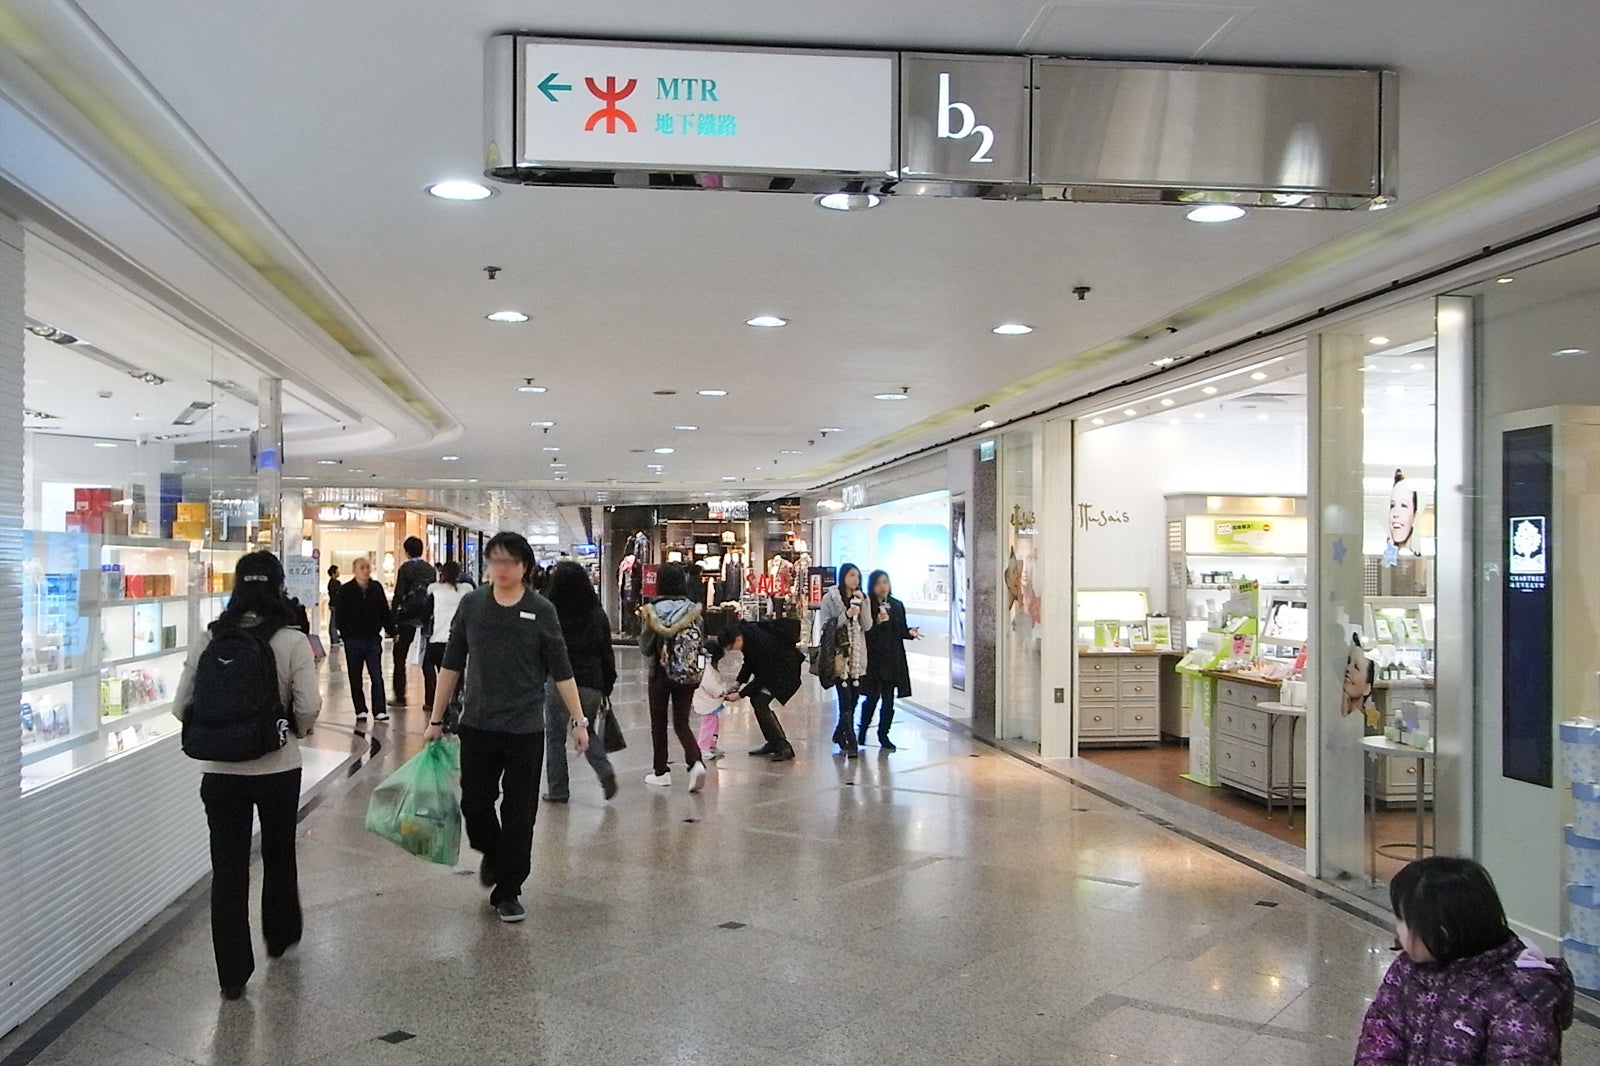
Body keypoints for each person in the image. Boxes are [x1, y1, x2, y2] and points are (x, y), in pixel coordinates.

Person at [171, 551, 321, 1000]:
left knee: (229, 868)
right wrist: (295, 728)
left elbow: (180, 705)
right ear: (279, 588)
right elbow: (309, 706)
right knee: (278, 853)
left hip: (220, 772)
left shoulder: (211, 637)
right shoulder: (293, 641)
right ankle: (279, 936)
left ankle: (232, 974)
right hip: (277, 766)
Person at [424, 532, 589, 924]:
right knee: (475, 806)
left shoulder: (541, 610)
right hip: (477, 725)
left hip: (525, 729)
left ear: (525, 567)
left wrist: (579, 720)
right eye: (494, 560)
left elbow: (562, 670)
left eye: (509, 561)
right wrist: (435, 720)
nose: (501, 568)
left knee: (520, 814)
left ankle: (509, 889)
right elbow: (451, 663)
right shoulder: (473, 604)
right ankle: (494, 854)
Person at [1356, 856, 1574, 1065]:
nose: (1398, 928)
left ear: (1442, 934)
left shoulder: (1517, 999)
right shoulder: (1407, 969)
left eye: (1403, 920)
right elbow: (1382, 1033)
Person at [541, 560, 619, 803]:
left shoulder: (550, 611)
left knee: (555, 736)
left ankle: (558, 790)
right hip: (591, 682)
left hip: (558, 682)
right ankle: (604, 769)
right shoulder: (597, 614)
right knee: (587, 729)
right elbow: (606, 652)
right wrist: (607, 685)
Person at [638, 562, 708, 790]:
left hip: (659, 673)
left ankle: (661, 772)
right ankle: (695, 761)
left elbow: (646, 646)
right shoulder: (694, 612)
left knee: (659, 723)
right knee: (682, 722)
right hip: (686, 673)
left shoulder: (652, 611)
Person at [721, 619, 802, 763]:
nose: (733, 650)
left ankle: (783, 746)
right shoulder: (748, 636)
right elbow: (749, 662)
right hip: (774, 672)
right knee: (758, 701)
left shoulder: (761, 641)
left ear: (737, 639)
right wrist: (738, 683)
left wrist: (740, 694)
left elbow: (764, 676)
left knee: (760, 701)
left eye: (732, 647)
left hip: (784, 673)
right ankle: (774, 742)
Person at [859, 569, 919, 752]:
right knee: (872, 697)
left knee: (888, 699)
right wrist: (877, 622)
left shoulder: (897, 605)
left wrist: (910, 633)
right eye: (878, 583)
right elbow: (866, 632)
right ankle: (862, 729)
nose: (882, 587)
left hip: (893, 659)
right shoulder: (867, 605)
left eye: (885, 582)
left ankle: (883, 733)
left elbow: (900, 630)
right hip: (874, 659)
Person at [819, 563, 872, 757]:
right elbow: (826, 626)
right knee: (845, 698)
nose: (855, 580)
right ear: (843, 577)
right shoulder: (830, 598)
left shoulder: (860, 597)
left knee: (855, 696)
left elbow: (867, 626)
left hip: (858, 656)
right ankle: (851, 741)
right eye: (851, 575)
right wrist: (846, 615)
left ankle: (839, 732)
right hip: (839, 655)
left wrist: (863, 604)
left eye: (857, 576)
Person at [335, 556, 394, 721]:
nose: (366, 570)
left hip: (372, 638)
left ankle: (379, 709)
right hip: (353, 640)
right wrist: (346, 634)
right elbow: (340, 615)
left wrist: (391, 631)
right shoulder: (346, 590)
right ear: (354, 570)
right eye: (362, 567)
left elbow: (384, 611)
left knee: (376, 674)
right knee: (355, 675)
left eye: (368, 567)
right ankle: (360, 708)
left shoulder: (376, 588)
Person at [390, 536, 435, 705]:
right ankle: (430, 699)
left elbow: (399, 594)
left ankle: (400, 696)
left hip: (406, 619)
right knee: (427, 659)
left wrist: (392, 618)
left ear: (407, 551)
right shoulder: (430, 570)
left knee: (399, 657)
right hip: (426, 619)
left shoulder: (405, 569)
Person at [421, 560, 468, 716]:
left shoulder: (435, 592)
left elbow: (425, 616)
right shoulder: (465, 592)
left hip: (438, 639)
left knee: (431, 669)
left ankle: (434, 701)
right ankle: (455, 700)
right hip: (459, 641)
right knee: (457, 674)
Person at [693, 642, 744, 760]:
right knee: (708, 725)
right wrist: (723, 692)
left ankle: (711, 745)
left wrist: (726, 689)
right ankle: (703, 747)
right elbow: (711, 685)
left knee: (714, 725)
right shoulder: (705, 670)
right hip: (706, 702)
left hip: (710, 701)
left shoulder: (705, 667)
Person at [325, 564, 341, 647]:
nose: (339, 572)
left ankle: (334, 637)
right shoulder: (335, 583)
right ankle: (334, 639)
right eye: (337, 571)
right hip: (335, 605)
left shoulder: (331, 583)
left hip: (333, 604)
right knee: (334, 622)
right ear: (334, 573)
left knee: (333, 621)